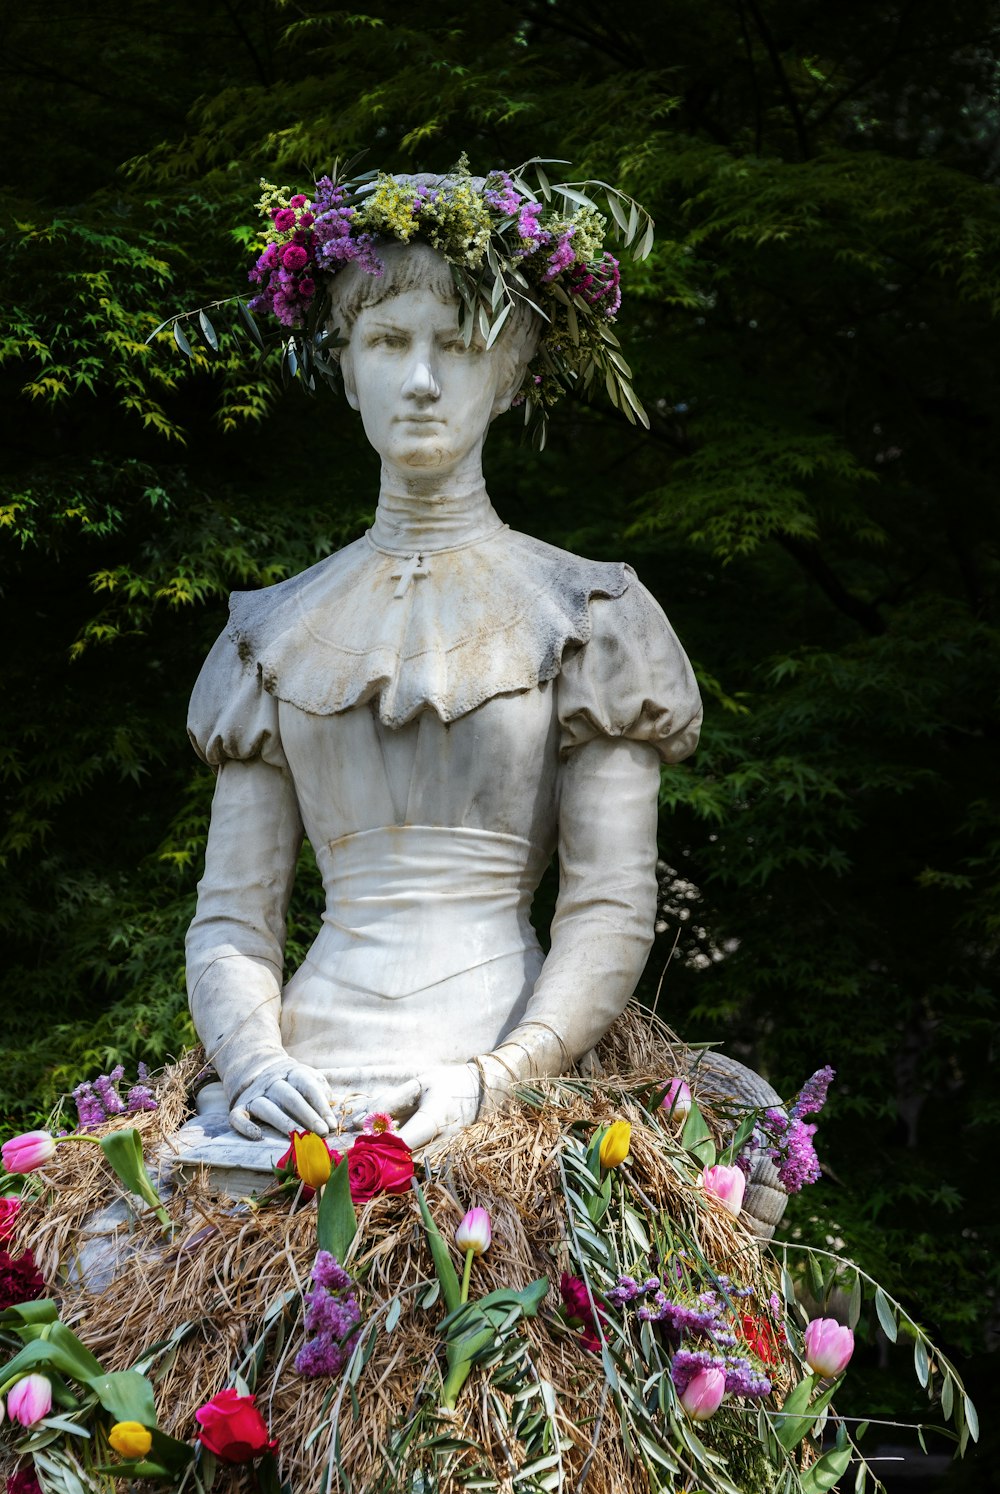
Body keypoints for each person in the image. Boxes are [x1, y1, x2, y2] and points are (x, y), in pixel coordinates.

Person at [185, 182, 702, 1151]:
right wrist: (252, 1062)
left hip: (498, 1084)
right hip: (295, 1097)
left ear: (509, 375)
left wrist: (497, 1080)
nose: (420, 379)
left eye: (456, 344)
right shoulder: (269, 635)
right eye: (386, 342)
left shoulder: (592, 621)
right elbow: (231, 923)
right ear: (345, 370)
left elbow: (608, 903)